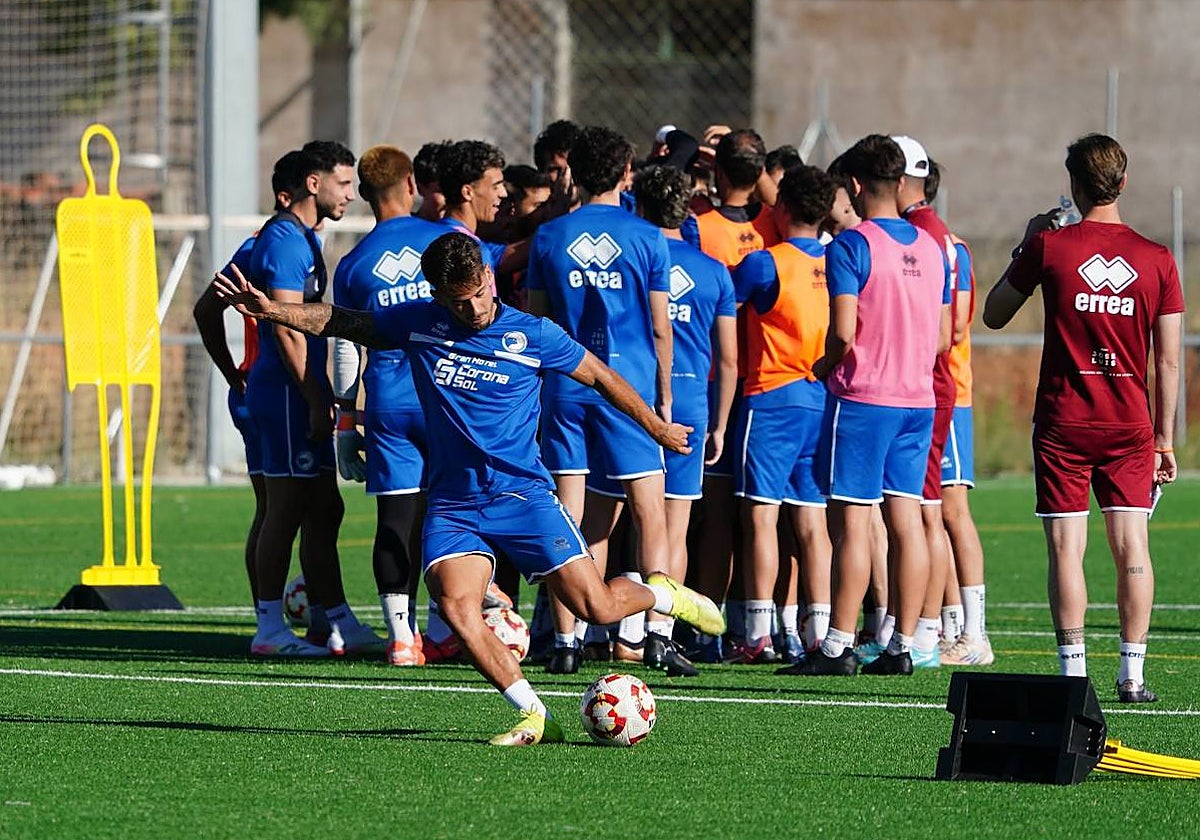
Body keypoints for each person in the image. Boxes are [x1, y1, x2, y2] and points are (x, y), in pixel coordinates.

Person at [214, 231, 726, 745]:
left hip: (524, 496)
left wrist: (657, 428)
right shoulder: (419, 324)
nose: (476, 307)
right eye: (460, 300)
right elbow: (341, 320)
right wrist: (273, 311)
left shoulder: (533, 335)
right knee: (457, 608)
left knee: (597, 608)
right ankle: (532, 714)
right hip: (456, 504)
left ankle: (661, 592)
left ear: (488, 277)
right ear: (437, 295)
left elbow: (600, 377)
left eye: (480, 291)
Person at [982, 133, 1182, 702]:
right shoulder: (1158, 258)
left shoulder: (1051, 247)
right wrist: (1165, 439)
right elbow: (1167, 359)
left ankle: (1073, 675)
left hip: (1064, 421)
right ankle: (1133, 675)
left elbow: (994, 314)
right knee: (1132, 548)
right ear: (1123, 182)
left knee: (1067, 550)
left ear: (1072, 184)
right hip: (1129, 424)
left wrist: (1027, 244)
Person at [780, 134, 951, 678]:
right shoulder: (930, 246)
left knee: (852, 523)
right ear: (900, 183)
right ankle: (904, 642)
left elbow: (845, 332)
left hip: (863, 399)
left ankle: (837, 645)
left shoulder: (852, 246)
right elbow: (946, 336)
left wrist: (826, 368)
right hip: (916, 400)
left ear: (854, 185)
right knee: (907, 521)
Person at [525, 125, 677, 676]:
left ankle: (567, 640)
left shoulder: (549, 236)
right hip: (626, 388)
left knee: (570, 511)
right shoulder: (647, 236)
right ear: (627, 174)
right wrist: (663, 396)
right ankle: (656, 630)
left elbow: (537, 321)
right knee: (648, 511)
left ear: (573, 174)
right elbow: (661, 328)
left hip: (565, 386)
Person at [586, 164, 738, 675]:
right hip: (689, 402)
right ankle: (657, 634)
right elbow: (730, 358)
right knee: (672, 525)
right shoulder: (713, 270)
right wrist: (720, 422)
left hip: (628, 392)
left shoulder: (631, 251)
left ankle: (590, 629)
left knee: (604, 518)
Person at [243, 140, 378, 657]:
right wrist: (314, 394)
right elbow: (284, 325)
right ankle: (270, 629)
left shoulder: (301, 237)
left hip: (292, 391)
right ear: (313, 184)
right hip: (285, 395)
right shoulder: (283, 240)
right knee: (284, 507)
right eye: (344, 183)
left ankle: (335, 620)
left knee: (324, 506)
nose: (352, 193)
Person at [329, 144, 447, 666]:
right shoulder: (447, 241)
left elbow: (344, 346)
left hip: (390, 407)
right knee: (454, 515)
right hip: (449, 400)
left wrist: (344, 422)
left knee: (395, 519)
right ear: (411, 185)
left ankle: (401, 637)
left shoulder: (354, 264)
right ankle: (450, 625)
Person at [730, 164, 836, 665]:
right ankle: (817, 633)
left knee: (761, 518)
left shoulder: (765, 262)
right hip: (821, 397)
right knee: (813, 523)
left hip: (772, 396)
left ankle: (758, 633)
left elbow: (722, 302)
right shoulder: (839, 258)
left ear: (784, 209)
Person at [921, 159, 993, 667]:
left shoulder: (953, 249)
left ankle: (977, 632)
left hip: (953, 393)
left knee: (953, 511)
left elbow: (959, 326)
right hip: (916, 394)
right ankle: (950, 626)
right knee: (930, 513)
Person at [413, 140, 453, 222]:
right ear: (421, 188)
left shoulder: (463, 232)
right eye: (442, 192)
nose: (451, 200)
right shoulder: (406, 231)